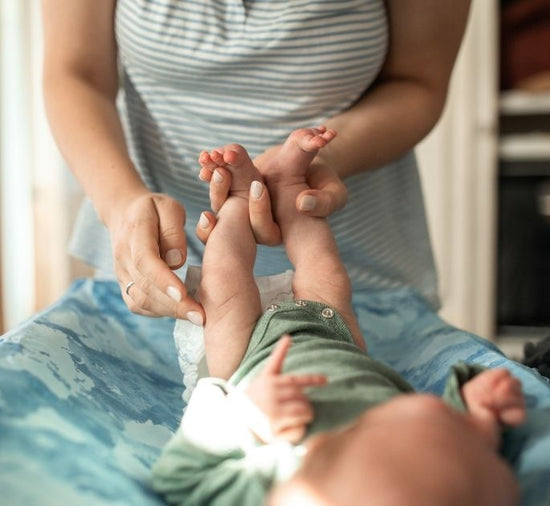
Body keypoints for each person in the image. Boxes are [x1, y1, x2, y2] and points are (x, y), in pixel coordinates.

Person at [151, 127, 526, 506]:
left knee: (224, 280)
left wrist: (245, 419)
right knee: (323, 267)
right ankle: (291, 182)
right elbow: (453, 449)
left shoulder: (283, 478)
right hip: (336, 337)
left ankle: (237, 199)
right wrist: (480, 415)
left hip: (248, 360)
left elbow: (178, 475)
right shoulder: (437, 473)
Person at [41, 0, 472, 324]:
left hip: (364, 283)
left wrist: (322, 157)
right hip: (158, 274)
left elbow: (419, 81)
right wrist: (120, 205)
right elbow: (75, 73)